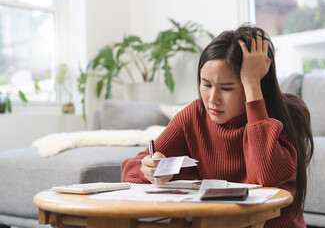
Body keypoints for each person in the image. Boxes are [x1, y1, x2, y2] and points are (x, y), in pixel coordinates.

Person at [121, 23, 314, 228]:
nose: (212, 99)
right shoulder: (194, 115)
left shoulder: (289, 114)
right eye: (206, 85)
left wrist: (252, 85)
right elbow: (129, 172)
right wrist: (148, 169)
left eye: (226, 88)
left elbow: (265, 177)